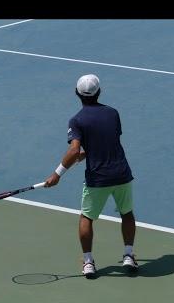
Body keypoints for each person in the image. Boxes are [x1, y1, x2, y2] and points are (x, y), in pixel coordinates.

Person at [44, 74, 138, 278]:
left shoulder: (77, 120)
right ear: (100, 92)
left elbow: (74, 150)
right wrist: (87, 153)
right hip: (122, 174)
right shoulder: (113, 113)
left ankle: (88, 262)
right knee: (127, 213)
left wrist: (56, 174)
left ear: (77, 94)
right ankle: (129, 255)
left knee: (86, 217)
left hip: (97, 179)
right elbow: (108, 141)